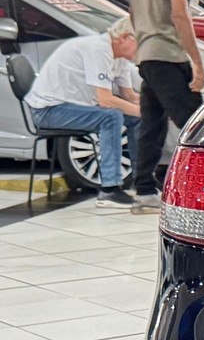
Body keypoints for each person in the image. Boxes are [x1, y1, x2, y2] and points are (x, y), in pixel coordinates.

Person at [130, 0, 204, 214]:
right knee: (195, 122)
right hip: (168, 56)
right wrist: (197, 62)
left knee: (152, 125)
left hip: (147, 56)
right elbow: (179, 14)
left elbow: (133, 13)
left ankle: (144, 189)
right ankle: (203, 188)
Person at [23, 17, 141, 209]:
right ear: (125, 37)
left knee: (135, 117)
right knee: (111, 117)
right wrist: (141, 111)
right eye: (142, 43)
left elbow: (129, 95)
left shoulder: (120, 57)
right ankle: (110, 189)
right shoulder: (99, 49)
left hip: (73, 107)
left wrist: (153, 108)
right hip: (48, 110)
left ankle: (142, 181)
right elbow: (105, 100)